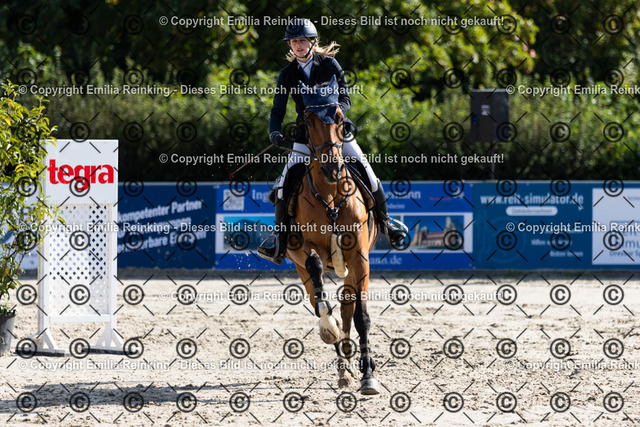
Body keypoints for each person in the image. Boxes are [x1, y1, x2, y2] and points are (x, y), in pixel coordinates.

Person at [258, 18, 408, 264]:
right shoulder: (287, 74)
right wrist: (274, 131)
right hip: (306, 137)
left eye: (302, 40)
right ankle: (279, 238)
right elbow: (278, 109)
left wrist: (337, 115)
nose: (298, 45)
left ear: (312, 42)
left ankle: (386, 223)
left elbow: (345, 98)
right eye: (294, 42)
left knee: (368, 172)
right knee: (284, 184)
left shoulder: (329, 64)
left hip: (336, 133)